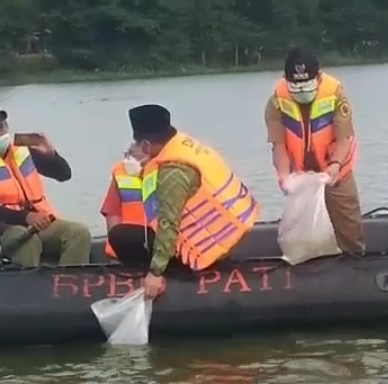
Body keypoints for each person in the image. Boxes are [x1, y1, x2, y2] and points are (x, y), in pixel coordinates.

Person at [116, 104, 261, 299]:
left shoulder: (172, 173)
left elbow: (168, 222)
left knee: (121, 236)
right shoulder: (186, 146)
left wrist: (156, 271)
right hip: (228, 236)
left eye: (136, 144)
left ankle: (168, 278)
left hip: (206, 250)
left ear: (146, 145)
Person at [0, 106, 91, 267]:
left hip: (39, 222)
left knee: (78, 233)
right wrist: (26, 217)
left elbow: (64, 175)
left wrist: (51, 154)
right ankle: (28, 287)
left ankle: (68, 285)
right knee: (28, 240)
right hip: (0, 229)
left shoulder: (23, 151)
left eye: (1, 127)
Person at [264, 47, 365, 255]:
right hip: (300, 173)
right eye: (296, 84)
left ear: (318, 77)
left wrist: (336, 164)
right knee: (300, 225)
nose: (302, 89)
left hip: (337, 167)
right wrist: (284, 176)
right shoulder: (276, 101)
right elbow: (278, 145)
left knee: (348, 220)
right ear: (286, 78)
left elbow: (344, 137)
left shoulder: (336, 94)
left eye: (306, 83)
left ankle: (355, 261)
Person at [100, 142, 146, 260]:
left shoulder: (166, 173)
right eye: (127, 154)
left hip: (157, 244)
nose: (129, 160)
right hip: (125, 246)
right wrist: (117, 251)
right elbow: (112, 214)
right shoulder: (121, 172)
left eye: (133, 155)